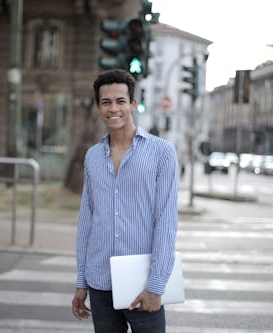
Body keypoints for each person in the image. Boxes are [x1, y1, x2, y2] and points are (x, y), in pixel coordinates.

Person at [71, 69, 179, 333]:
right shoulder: (93, 156)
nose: (113, 109)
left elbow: (165, 222)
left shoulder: (162, 152)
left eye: (120, 101)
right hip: (99, 282)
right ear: (98, 106)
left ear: (132, 104)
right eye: (106, 102)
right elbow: (87, 221)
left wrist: (156, 286)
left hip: (141, 282)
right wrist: (81, 282)